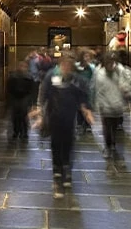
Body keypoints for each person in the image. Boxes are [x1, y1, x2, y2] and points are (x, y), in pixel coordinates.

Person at [34, 52, 94, 198]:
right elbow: (44, 94)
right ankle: (57, 171)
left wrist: (86, 110)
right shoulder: (51, 76)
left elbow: (82, 96)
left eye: (69, 65)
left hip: (69, 118)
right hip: (54, 117)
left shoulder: (76, 79)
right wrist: (40, 114)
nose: (66, 67)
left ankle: (66, 170)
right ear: (60, 64)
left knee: (68, 144)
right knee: (56, 144)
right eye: (64, 64)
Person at [92, 52, 131, 169]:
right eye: (108, 62)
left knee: (118, 131)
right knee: (107, 129)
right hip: (105, 107)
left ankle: (117, 151)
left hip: (119, 107)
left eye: (113, 62)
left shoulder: (123, 72)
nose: (111, 65)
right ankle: (108, 147)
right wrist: (96, 104)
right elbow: (95, 89)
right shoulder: (98, 73)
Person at [7, 60, 38, 141]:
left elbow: (32, 89)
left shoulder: (15, 76)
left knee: (21, 115)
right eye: (21, 66)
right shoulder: (26, 77)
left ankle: (21, 132)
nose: (22, 68)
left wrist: (32, 101)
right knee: (17, 116)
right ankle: (19, 132)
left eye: (23, 66)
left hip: (22, 97)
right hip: (18, 97)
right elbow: (9, 88)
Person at [75, 49, 96, 134]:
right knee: (79, 108)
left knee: (88, 107)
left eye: (88, 56)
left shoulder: (92, 68)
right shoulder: (76, 67)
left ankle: (87, 125)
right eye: (85, 56)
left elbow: (94, 79)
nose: (87, 58)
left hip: (88, 91)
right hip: (78, 90)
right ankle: (79, 124)